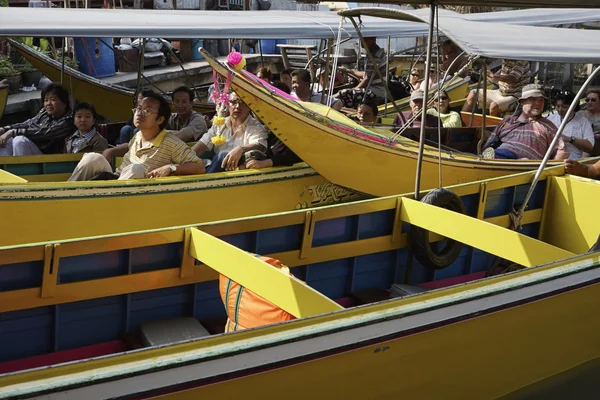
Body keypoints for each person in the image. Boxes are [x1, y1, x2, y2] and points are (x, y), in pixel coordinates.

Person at [68, 92, 204, 181]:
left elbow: (199, 167)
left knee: (137, 168)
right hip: (118, 179)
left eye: (147, 111)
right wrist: (111, 150)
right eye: (139, 109)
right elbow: (129, 146)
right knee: (94, 157)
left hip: (138, 195)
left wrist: (171, 168)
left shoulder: (171, 142)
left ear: (160, 119)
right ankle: (66, 193)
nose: (140, 113)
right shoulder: (138, 136)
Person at [482, 84, 569, 160]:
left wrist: (545, 170)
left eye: (541, 100)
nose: (538, 103)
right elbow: (489, 143)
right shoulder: (508, 121)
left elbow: (562, 152)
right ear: (522, 102)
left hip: (526, 168)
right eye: (533, 99)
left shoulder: (548, 126)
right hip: (500, 156)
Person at [192, 92, 268, 173]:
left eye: (242, 103)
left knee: (222, 155)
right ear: (228, 105)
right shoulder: (219, 124)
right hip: (217, 167)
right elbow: (202, 145)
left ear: (249, 106)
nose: (238, 106)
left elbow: (259, 145)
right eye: (233, 102)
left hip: (239, 170)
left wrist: (240, 149)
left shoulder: (256, 127)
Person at [0, 83, 73, 156]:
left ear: (64, 103)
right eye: (46, 100)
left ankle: (19, 167)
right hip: (36, 150)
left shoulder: (69, 119)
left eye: (53, 100)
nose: (48, 104)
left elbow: (45, 133)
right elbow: (28, 123)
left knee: (20, 141)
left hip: (51, 159)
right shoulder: (44, 113)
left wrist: (13, 132)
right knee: (5, 140)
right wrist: (5, 129)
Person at [462, 59, 530, 117]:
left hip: (515, 97)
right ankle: (463, 127)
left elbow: (512, 78)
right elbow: (496, 78)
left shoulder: (521, 61)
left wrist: (494, 76)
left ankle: (494, 129)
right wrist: (489, 76)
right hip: (501, 92)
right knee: (473, 93)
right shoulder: (506, 60)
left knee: (494, 106)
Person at [338, 36, 387, 108]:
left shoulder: (376, 55)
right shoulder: (371, 53)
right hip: (371, 88)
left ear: (373, 40)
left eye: (366, 39)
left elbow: (367, 78)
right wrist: (347, 70)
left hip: (376, 91)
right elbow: (366, 74)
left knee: (344, 93)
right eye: (362, 39)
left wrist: (354, 89)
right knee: (346, 92)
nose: (362, 41)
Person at [547, 92, 594, 160]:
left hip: (573, 159)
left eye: (564, 107)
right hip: (551, 157)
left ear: (574, 106)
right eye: (558, 106)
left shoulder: (583, 122)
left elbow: (590, 146)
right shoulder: (550, 119)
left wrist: (569, 139)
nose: (560, 110)